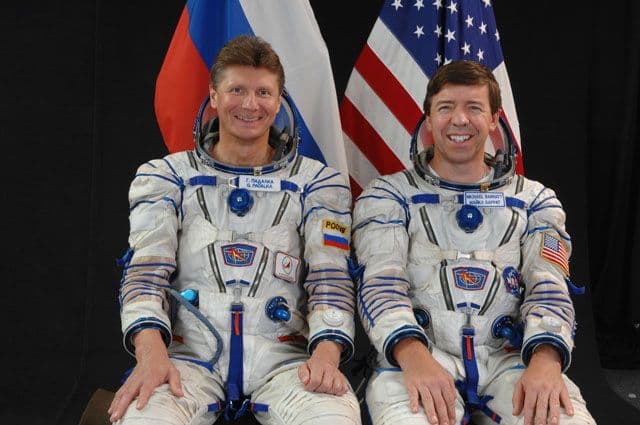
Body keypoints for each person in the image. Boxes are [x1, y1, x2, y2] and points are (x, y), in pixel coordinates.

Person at [108, 35, 360, 425]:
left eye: (263, 92)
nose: (250, 104)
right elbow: (146, 272)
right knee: (142, 419)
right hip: (188, 358)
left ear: (279, 100)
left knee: (333, 418)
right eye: (237, 90)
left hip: (284, 359)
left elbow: (330, 278)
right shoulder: (168, 177)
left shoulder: (316, 183)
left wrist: (326, 355)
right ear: (214, 96)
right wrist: (150, 355)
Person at [352, 60, 595, 425]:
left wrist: (546, 361)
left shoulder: (535, 201)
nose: (460, 120)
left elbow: (549, 285)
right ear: (428, 118)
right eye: (446, 108)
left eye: (474, 108)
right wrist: (413, 356)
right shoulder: (389, 195)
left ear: (495, 119)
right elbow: (381, 283)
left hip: (509, 360)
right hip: (420, 355)